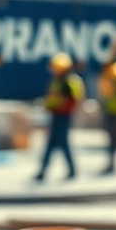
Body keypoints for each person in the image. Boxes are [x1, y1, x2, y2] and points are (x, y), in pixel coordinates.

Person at [33, 52, 83, 182]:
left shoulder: (68, 82)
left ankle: (68, 171)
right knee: (53, 144)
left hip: (64, 116)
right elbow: (52, 97)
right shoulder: (57, 81)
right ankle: (44, 172)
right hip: (56, 114)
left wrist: (57, 106)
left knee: (61, 143)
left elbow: (72, 101)